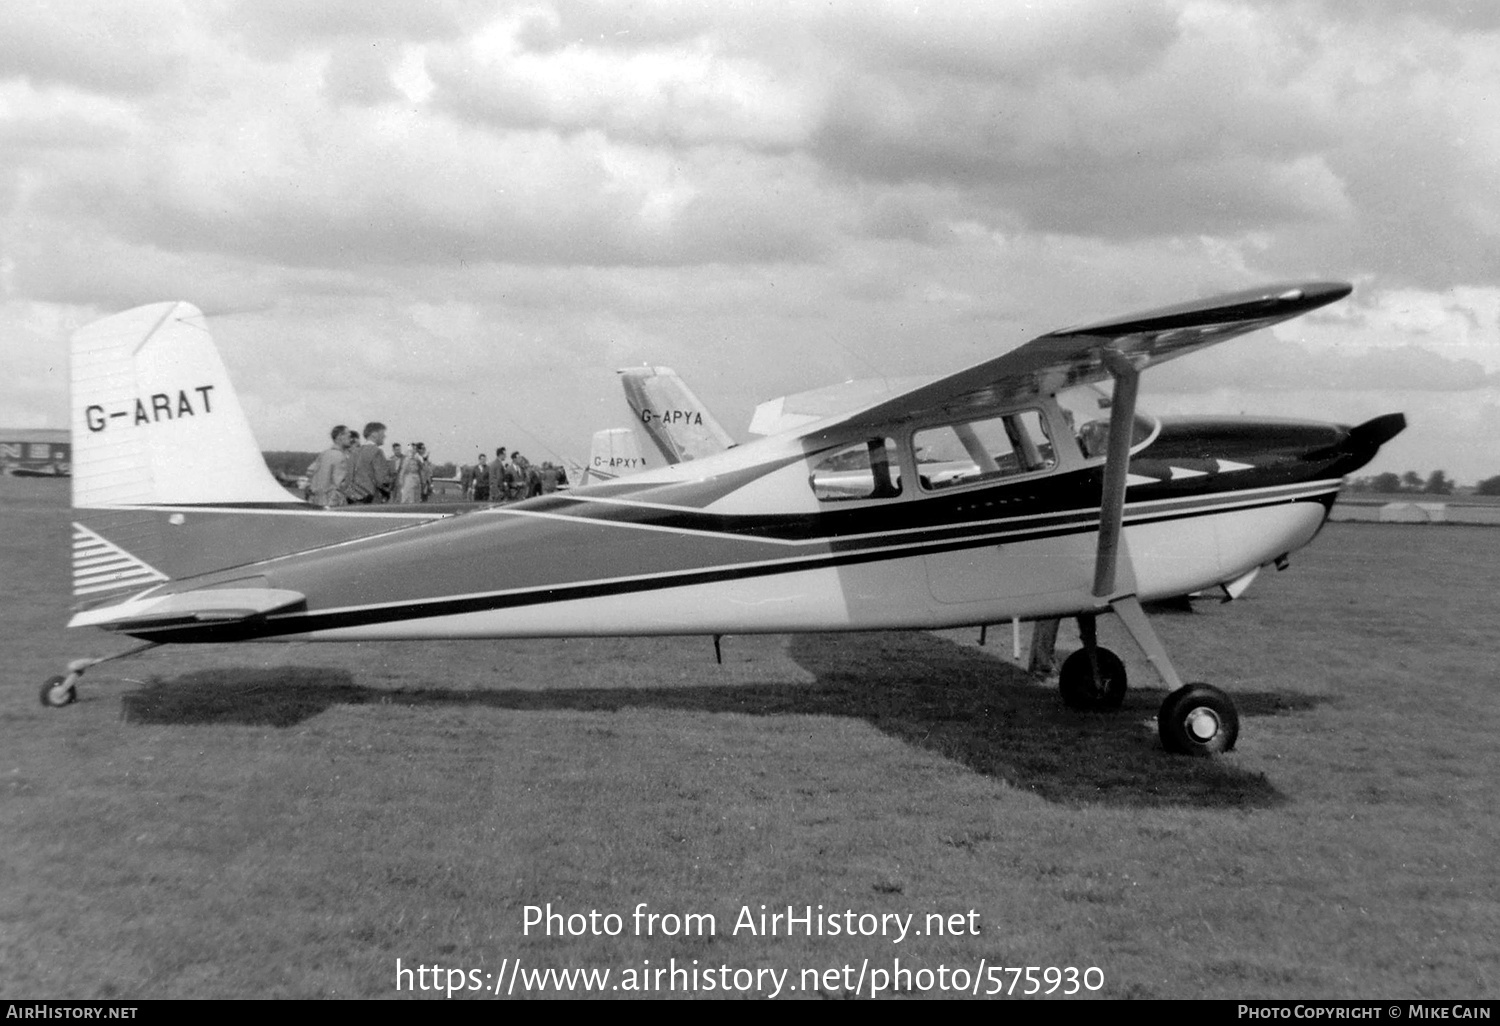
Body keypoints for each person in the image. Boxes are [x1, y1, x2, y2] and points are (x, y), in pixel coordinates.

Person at [305, 424, 352, 507]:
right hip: (332, 502)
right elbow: (341, 484)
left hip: (315, 500)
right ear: (340, 436)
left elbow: (309, 472)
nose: (350, 439)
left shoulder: (323, 454)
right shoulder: (340, 456)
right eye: (348, 436)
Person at [346, 421, 393, 504]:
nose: (384, 436)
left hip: (353, 497)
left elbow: (349, 475)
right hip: (372, 498)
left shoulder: (355, 452)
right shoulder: (377, 451)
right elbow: (382, 480)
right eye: (382, 433)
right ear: (374, 434)